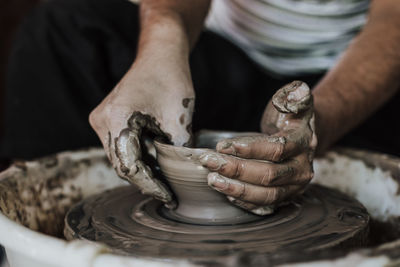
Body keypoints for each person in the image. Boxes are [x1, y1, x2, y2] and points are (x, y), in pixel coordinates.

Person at [1, 0, 400, 214]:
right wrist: (161, 49)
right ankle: (45, 227)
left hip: (350, 72)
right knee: (63, 31)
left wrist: (319, 123)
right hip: (223, 54)